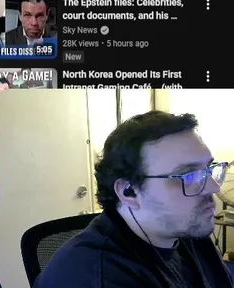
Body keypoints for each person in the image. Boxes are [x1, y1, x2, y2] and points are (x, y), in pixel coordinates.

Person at [37, 111, 233, 287]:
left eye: (209, 169)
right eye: (188, 176)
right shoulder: (99, 278)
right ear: (128, 192)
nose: (214, 187)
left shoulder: (187, 228)